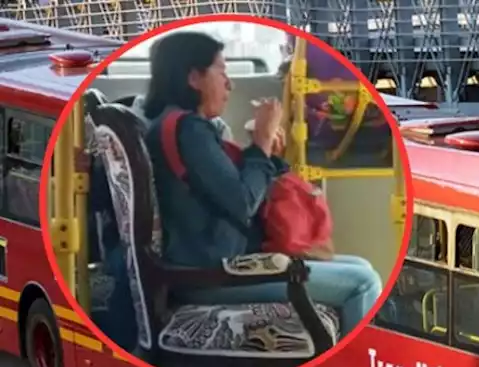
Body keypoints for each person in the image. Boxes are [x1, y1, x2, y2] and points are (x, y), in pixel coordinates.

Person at [141, 30, 382, 338]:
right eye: (222, 71)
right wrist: (262, 142)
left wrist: (267, 153)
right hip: (211, 275)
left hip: (215, 264)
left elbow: (232, 190)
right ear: (194, 77)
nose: (230, 83)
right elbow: (243, 203)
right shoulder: (188, 131)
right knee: (363, 283)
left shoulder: (171, 125)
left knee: (361, 266)